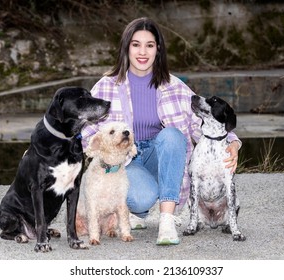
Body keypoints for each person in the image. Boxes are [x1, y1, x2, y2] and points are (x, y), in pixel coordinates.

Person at [81, 17, 241, 246]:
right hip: (126, 162)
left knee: (173, 136)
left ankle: (166, 220)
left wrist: (233, 143)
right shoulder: (105, 86)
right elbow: (87, 133)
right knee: (142, 197)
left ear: (158, 49)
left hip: (161, 154)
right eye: (136, 45)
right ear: (126, 47)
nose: (142, 52)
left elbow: (202, 124)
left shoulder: (174, 85)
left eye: (149, 45)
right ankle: (137, 209)